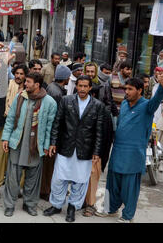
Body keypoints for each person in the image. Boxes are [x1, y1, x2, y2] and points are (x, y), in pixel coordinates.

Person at [98, 75, 163, 223]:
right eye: (126, 89)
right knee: (112, 183)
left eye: (130, 89)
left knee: (130, 188)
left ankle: (128, 216)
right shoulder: (124, 104)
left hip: (134, 153)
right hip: (117, 150)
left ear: (140, 90)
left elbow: (157, 100)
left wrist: (162, 86)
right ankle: (111, 209)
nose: (127, 92)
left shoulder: (147, 106)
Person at [44, 75, 105, 222]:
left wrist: (97, 152)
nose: (82, 89)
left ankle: (72, 207)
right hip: (66, 145)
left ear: (90, 88)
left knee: (80, 180)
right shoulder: (66, 101)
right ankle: (57, 205)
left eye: (85, 86)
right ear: (76, 86)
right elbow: (57, 123)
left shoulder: (98, 105)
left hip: (85, 149)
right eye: (80, 86)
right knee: (59, 178)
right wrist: (53, 142)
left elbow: (99, 131)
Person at [2, 73, 57, 217]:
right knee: (13, 178)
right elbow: (11, 118)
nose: (25, 84)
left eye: (28, 82)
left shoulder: (49, 102)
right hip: (18, 143)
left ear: (37, 85)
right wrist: (6, 138)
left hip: (36, 146)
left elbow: (49, 128)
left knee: (33, 179)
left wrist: (46, 146)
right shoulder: (20, 97)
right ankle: (9, 205)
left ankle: (30, 204)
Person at [82, 62, 118, 217]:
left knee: (94, 171)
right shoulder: (80, 86)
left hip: (99, 133)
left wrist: (98, 116)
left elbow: (109, 106)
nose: (90, 74)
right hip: (82, 136)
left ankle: (90, 204)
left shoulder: (103, 86)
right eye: (87, 71)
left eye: (92, 71)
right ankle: (80, 200)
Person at [0, 64, 28, 199]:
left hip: (21, 129)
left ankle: (16, 187)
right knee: (0, 156)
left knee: (18, 159)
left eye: (22, 74)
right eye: (17, 73)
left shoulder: (28, 90)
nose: (18, 76)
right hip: (5, 125)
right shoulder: (6, 86)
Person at [41, 65, 71, 201]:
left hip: (50, 132)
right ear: (66, 78)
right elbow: (58, 117)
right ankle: (46, 190)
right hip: (53, 133)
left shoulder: (52, 87)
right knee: (49, 165)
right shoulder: (58, 94)